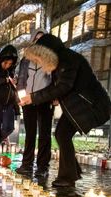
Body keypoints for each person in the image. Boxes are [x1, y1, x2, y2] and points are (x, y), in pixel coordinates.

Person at [19, 34, 111, 187]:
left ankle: (68, 177)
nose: (39, 63)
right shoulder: (61, 62)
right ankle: (72, 171)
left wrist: (33, 97)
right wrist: (36, 97)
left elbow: (63, 86)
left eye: (39, 59)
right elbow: (58, 87)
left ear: (46, 54)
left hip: (91, 105)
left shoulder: (68, 60)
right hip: (79, 106)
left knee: (62, 133)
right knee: (62, 133)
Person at [16, 29, 53, 177]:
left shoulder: (51, 59)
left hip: (44, 99)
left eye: (42, 39)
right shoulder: (26, 59)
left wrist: (54, 97)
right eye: (37, 39)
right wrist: (21, 97)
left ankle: (43, 167)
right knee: (30, 134)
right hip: (28, 100)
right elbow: (21, 79)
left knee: (44, 134)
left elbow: (55, 80)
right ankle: (27, 164)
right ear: (33, 41)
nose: (39, 41)